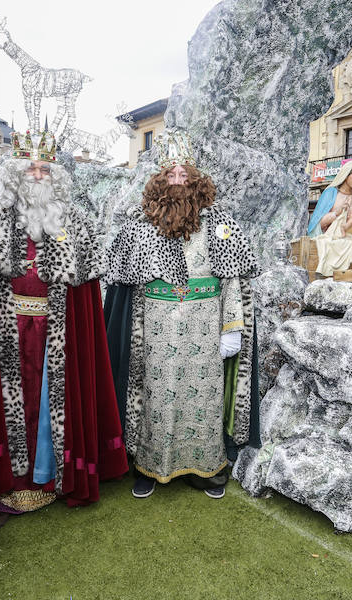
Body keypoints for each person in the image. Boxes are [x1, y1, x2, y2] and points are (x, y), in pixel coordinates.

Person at [0, 132, 127, 528]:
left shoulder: (74, 220)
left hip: (58, 333)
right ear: (14, 173)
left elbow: (86, 293)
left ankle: (51, 479)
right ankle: (4, 487)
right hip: (3, 330)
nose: (37, 175)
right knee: (2, 409)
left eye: (45, 169)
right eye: (29, 168)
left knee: (52, 406)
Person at [105, 129, 259, 500]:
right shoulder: (140, 226)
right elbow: (127, 291)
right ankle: (148, 466)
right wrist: (133, 331)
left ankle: (206, 470)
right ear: (159, 180)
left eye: (184, 174)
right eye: (170, 174)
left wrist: (231, 326)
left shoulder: (220, 223)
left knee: (203, 397)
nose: (177, 181)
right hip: (155, 327)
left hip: (204, 323)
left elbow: (233, 278)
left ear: (196, 180)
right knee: (153, 394)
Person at [306, 161, 352, 275]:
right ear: (346, 175)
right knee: (332, 245)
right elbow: (318, 224)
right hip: (331, 236)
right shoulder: (330, 193)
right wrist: (336, 214)